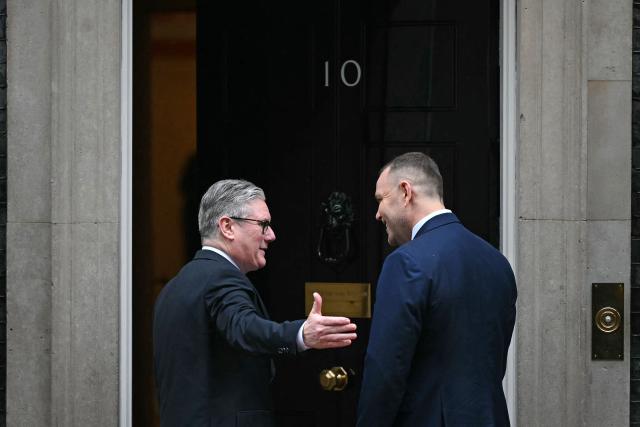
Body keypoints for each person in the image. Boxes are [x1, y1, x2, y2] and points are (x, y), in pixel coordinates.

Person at [153, 179, 357, 427]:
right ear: (227, 227)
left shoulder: (174, 288)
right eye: (263, 225)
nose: (271, 235)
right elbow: (244, 327)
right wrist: (299, 334)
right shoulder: (221, 278)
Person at [357, 152, 517, 426]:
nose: (377, 213)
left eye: (380, 199)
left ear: (406, 192)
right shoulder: (496, 262)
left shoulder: (406, 263)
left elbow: (385, 372)